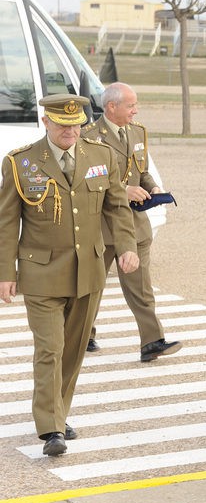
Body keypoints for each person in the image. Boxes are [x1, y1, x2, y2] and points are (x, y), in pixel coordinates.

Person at [0, 94, 139, 456]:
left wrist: (127, 247)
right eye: (62, 125)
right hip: (40, 272)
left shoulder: (101, 155)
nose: (70, 131)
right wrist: (5, 272)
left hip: (88, 270)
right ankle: (51, 429)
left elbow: (117, 208)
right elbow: (6, 222)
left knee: (74, 351)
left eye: (75, 124)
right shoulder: (21, 163)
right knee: (51, 348)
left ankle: (58, 415)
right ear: (46, 122)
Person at [80, 83, 182, 361]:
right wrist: (123, 190)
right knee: (91, 288)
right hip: (100, 228)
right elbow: (86, 179)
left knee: (141, 288)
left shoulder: (138, 132)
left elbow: (141, 171)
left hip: (135, 226)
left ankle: (152, 341)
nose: (136, 110)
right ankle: (82, 335)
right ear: (111, 107)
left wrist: (154, 187)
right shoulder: (88, 137)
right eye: (130, 105)